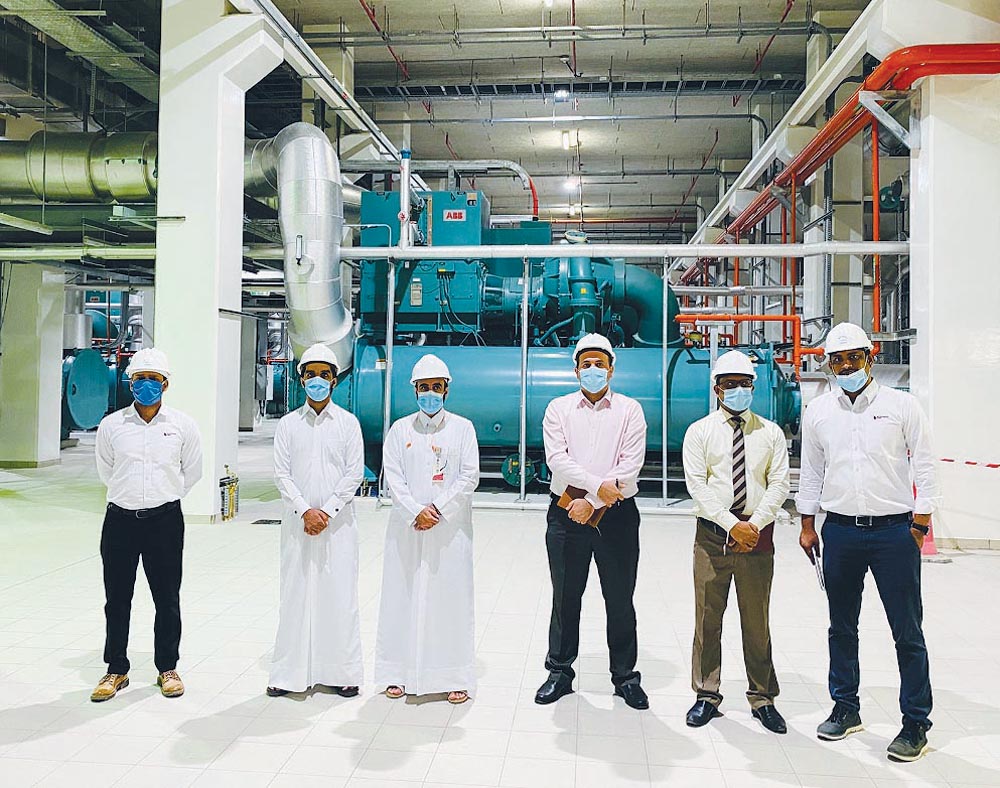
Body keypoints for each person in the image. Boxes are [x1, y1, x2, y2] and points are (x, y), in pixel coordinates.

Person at [797, 322, 940, 762]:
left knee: (907, 630)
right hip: (839, 530)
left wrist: (919, 525)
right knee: (841, 626)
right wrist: (807, 524)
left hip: (894, 532)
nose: (845, 366)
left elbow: (927, 465)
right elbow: (811, 470)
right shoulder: (819, 411)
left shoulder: (902, 406)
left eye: (852, 357)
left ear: (869, 357)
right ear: (828, 364)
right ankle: (846, 707)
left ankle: (915, 722)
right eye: (836, 359)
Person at [536, 333, 649, 710]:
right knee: (565, 597)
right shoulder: (559, 409)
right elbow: (557, 460)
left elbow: (629, 468)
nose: (594, 370)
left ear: (612, 369)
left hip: (616, 518)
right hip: (567, 513)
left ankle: (624, 677)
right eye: (587, 364)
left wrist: (593, 501)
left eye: (600, 363)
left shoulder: (630, 410)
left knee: (620, 598)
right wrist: (594, 492)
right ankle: (560, 671)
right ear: (576, 370)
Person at [681, 350, 791, 733]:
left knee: (756, 621)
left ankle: (762, 697)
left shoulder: (771, 433)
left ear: (753, 387)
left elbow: (780, 483)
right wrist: (732, 525)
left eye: (745, 384)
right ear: (716, 389)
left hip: (756, 537)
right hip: (713, 538)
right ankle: (706, 694)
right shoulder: (700, 432)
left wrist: (754, 524)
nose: (738, 390)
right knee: (708, 620)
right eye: (730, 385)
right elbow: (697, 486)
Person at [91, 348, 202, 702]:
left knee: (166, 598)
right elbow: (105, 470)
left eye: (153, 380)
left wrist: (163, 496)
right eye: (140, 379)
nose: (146, 386)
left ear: (165, 384)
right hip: (120, 521)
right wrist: (133, 497)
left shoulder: (182, 425)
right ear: (130, 382)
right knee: (117, 599)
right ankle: (116, 669)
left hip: (165, 522)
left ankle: (167, 667)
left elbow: (192, 471)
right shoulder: (112, 425)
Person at [376, 354, 480, 705]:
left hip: (449, 530)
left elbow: (469, 477)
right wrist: (414, 512)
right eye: (424, 388)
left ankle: (454, 675)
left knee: (450, 598)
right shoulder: (400, 430)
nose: (430, 394)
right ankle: (397, 672)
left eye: (437, 387)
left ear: (447, 390)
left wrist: (437, 509)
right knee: (401, 595)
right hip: (408, 528)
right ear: (415, 391)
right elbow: (393, 476)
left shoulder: (463, 428)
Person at [267, 343, 365, 698]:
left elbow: (354, 474)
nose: (318, 380)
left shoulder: (349, 424)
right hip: (298, 525)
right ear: (301, 379)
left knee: (339, 595)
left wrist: (327, 511)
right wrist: (305, 510)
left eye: (325, 375)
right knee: (295, 594)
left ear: (335, 381)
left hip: (338, 527)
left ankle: (342, 673)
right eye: (312, 374)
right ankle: (288, 674)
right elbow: (282, 475)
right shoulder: (288, 425)